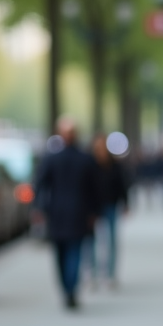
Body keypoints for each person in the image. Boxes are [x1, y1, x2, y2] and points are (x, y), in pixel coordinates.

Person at [32, 117, 100, 310]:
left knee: (61, 254)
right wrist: (94, 212)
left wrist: (38, 208)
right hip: (79, 213)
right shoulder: (86, 159)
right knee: (74, 253)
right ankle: (71, 289)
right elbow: (95, 189)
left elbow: (39, 184)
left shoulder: (51, 158)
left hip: (58, 213)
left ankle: (66, 288)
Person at [81, 133, 129, 289]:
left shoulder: (114, 165)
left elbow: (121, 185)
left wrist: (125, 203)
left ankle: (109, 274)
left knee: (111, 241)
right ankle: (91, 273)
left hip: (110, 205)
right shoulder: (89, 164)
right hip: (92, 208)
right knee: (90, 242)